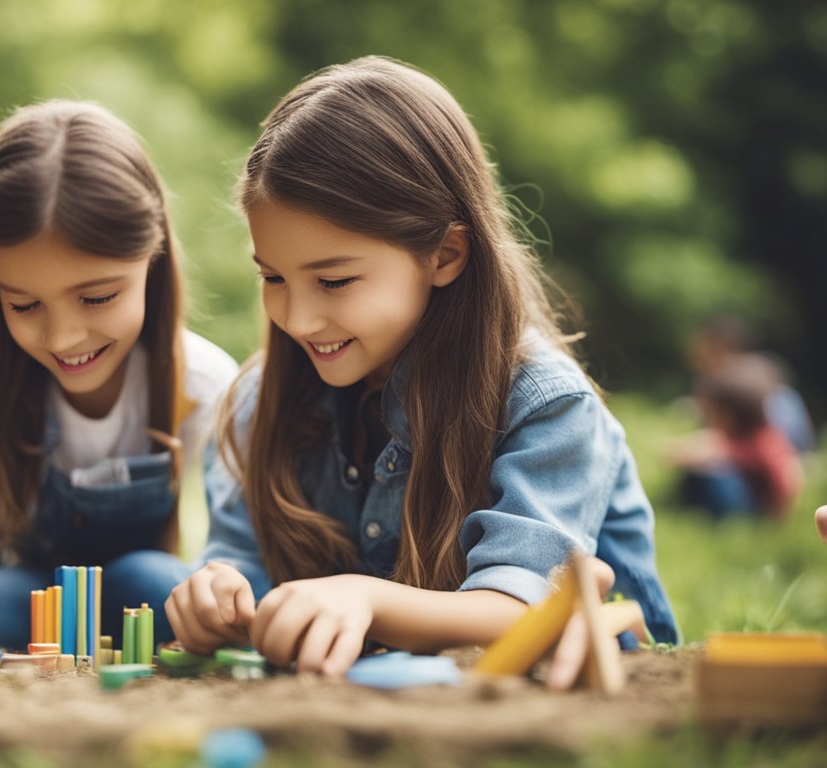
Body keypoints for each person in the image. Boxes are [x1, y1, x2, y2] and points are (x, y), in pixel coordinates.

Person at [165, 57, 679, 677]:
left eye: (333, 280)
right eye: (273, 277)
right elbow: (241, 566)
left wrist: (367, 596)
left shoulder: (544, 402)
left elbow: (524, 604)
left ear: (445, 254)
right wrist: (217, 594)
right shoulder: (259, 402)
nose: (296, 319)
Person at [0, 100, 239, 650]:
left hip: (143, 599)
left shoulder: (199, 384)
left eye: (98, 296)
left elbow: (231, 554)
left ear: (152, 258)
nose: (62, 339)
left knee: (151, 581)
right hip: (30, 605)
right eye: (25, 305)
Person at [667, 357, 803, 520]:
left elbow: (785, 478)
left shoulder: (765, 441)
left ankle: (728, 519)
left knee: (715, 473)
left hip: (753, 506)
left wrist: (776, 514)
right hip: (740, 495)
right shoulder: (732, 435)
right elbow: (708, 444)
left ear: (730, 415)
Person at [687, 313, 815, 454]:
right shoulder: (722, 379)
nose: (701, 362)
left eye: (706, 355)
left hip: (784, 448)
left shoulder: (746, 380)